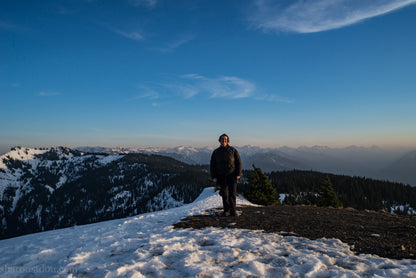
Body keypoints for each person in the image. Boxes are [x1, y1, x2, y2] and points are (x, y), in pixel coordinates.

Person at [210, 133, 242, 216]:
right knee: (224, 194)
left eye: (225, 139)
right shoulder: (216, 152)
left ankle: (233, 211)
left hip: (232, 175)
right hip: (221, 176)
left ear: (227, 141)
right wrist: (214, 176)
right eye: (222, 139)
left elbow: (238, 162)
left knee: (233, 194)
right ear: (219, 140)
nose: (223, 141)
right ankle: (226, 211)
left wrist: (238, 173)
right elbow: (212, 165)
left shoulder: (233, 150)